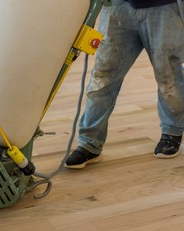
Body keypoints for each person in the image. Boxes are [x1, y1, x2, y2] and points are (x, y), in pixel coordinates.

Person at [65, 0, 184, 169]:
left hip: (164, 8)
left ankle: (172, 132)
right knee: (103, 76)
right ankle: (89, 143)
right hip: (116, 6)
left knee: (168, 75)